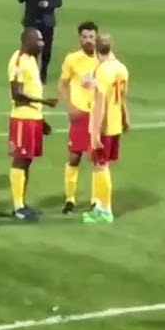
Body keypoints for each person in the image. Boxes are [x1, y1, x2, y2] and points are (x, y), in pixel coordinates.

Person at [8, 29, 58, 221]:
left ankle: (22, 203)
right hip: (22, 118)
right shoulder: (19, 60)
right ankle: (17, 206)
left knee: (27, 160)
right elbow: (17, 94)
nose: (42, 44)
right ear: (27, 40)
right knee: (20, 159)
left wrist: (41, 119)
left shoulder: (31, 60)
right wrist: (44, 102)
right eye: (38, 40)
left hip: (32, 118)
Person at [84, 34, 129, 224]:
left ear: (96, 50)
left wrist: (95, 132)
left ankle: (105, 209)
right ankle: (99, 205)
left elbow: (101, 102)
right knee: (103, 165)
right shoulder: (121, 68)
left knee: (101, 166)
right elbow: (121, 97)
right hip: (116, 122)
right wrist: (126, 118)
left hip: (104, 126)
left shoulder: (102, 70)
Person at [58, 22, 99, 213]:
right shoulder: (72, 59)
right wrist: (70, 107)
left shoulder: (104, 60)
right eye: (85, 37)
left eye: (91, 37)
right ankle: (70, 199)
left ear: (96, 37)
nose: (88, 40)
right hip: (80, 114)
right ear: (79, 38)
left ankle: (96, 199)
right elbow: (63, 84)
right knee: (74, 156)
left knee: (98, 158)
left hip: (98, 115)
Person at [17, 0, 61, 83]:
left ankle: (43, 73)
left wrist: (48, 4)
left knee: (46, 49)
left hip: (47, 22)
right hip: (31, 21)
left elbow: (58, 1)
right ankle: (31, 72)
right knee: (30, 48)